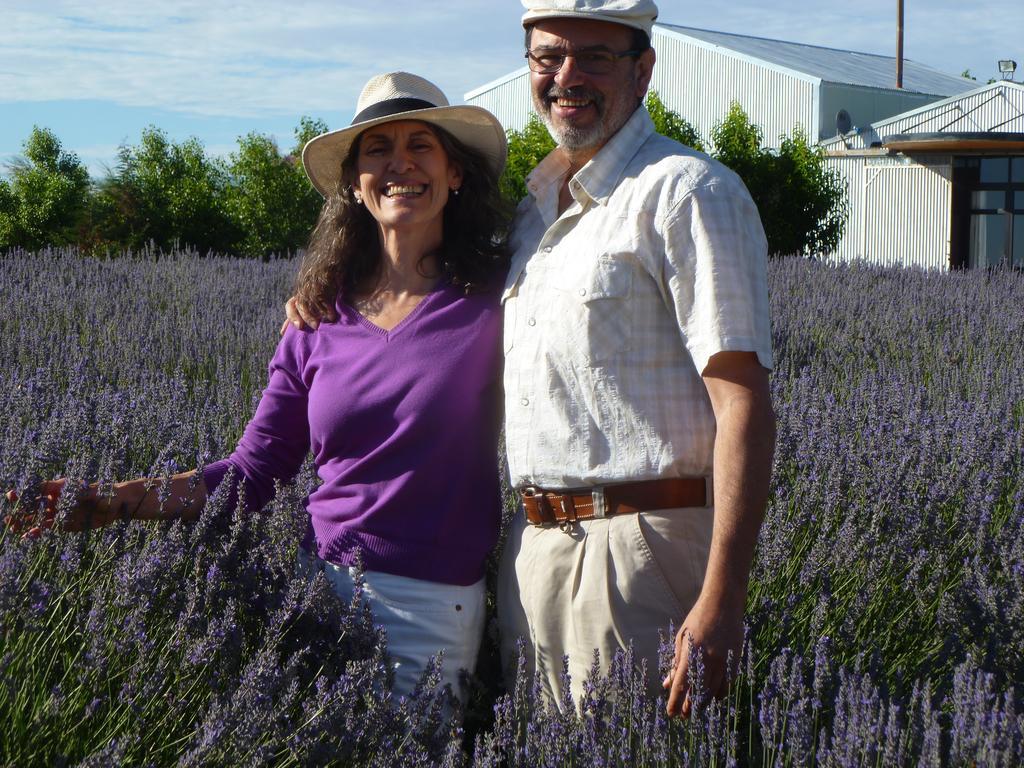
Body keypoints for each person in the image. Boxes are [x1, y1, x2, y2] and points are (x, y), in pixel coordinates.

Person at [286, 0, 776, 719]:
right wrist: (324, 287)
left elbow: (744, 403)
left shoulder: (687, 192)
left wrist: (723, 599)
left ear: (643, 71)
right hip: (533, 549)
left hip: (638, 550)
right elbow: (417, 291)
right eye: (547, 58)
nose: (566, 76)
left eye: (594, 57)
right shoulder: (533, 217)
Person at [5, 71, 511, 703]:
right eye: (378, 149)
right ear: (355, 183)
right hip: (313, 588)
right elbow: (253, 471)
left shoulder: (500, 301)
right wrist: (114, 500)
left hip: (430, 610)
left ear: (455, 172)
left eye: (421, 145)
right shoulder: (319, 318)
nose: (399, 164)